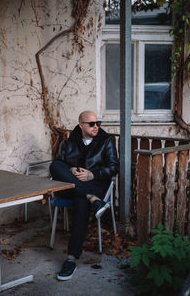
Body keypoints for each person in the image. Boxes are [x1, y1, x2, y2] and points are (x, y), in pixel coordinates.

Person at [50, 111, 119, 281]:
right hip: (72, 185)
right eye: (91, 124)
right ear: (81, 125)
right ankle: (92, 198)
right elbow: (61, 165)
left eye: (98, 123)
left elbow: (114, 168)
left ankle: (71, 258)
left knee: (80, 199)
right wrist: (71, 169)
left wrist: (92, 174)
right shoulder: (68, 142)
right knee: (55, 165)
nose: (96, 126)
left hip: (95, 184)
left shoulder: (106, 141)